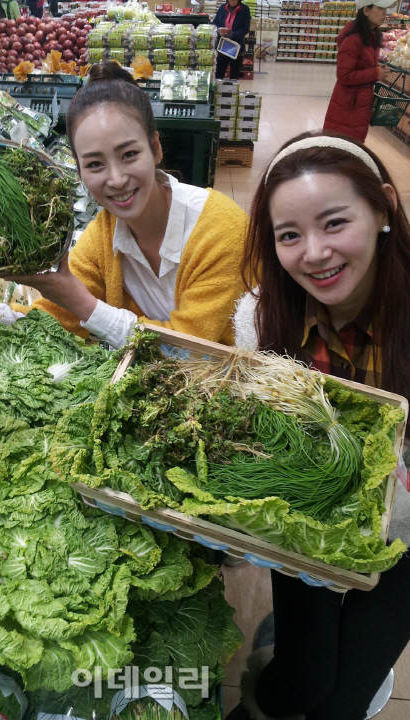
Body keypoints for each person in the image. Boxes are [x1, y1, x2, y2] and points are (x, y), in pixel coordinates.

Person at [226, 130, 410, 720]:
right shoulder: (263, 322)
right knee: (299, 682)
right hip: (308, 528)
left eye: (335, 223)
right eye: (289, 235)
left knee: (346, 698)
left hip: (405, 546)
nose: (314, 253)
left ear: (383, 207)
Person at [0, 62, 249, 350]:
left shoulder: (220, 229)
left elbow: (189, 352)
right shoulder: (104, 237)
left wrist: (81, 302)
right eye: (95, 164)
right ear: (79, 171)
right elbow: (41, 326)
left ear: (156, 148)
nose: (115, 179)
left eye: (129, 154)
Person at [323, 0, 393, 142]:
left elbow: (361, 67)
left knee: (352, 149)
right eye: (380, 8)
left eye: (386, 8)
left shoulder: (372, 36)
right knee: (341, 150)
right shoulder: (354, 39)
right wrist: (375, 73)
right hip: (347, 107)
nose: (384, 12)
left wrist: (377, 70)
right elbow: (344, 75)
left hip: (359, 105)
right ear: (366, 11)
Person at [213, 0, 251, 80]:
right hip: (222, 45)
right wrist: (219, 30)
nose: (232, 1)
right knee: (219, 73)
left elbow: (245, 28)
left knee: (234, 75)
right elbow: (215, 23)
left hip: (236, 46)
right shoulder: (222, 8)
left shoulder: (245, 9)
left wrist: (233, 34)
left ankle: (232, 92)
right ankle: (219, 91)